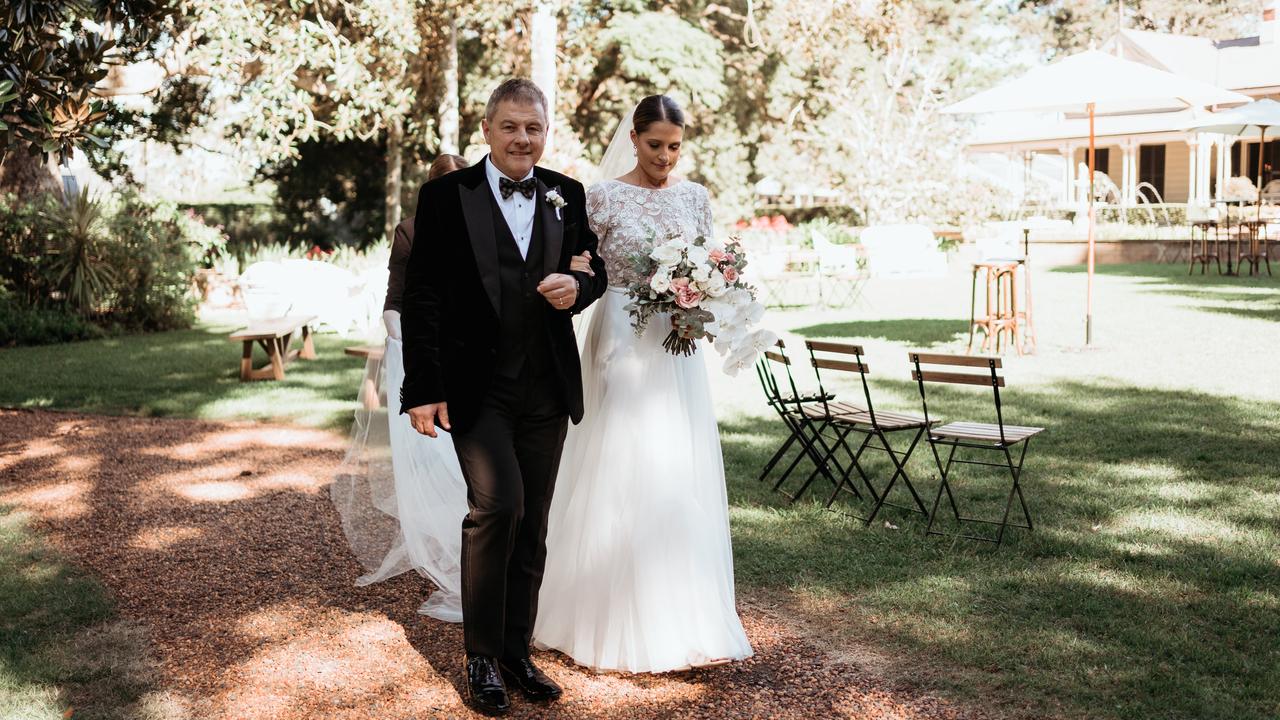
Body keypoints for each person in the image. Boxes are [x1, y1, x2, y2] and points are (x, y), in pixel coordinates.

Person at [399, 79, 608, 716]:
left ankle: (518, 652)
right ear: (486, 130)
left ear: (547, 133)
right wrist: (424, 388)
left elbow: (591, 265)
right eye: (511, 126)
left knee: (535, 522)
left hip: (546, 386)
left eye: (534, 128)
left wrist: (578, 285)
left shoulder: (566, 194)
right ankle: (482, 657)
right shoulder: (444, 197)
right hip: (477, 389)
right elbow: (423, 296)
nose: (523, 139)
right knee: (498, 508)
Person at [531, 93, 754, 674]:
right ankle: (599, 612)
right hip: (623, 340)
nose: (666, 158)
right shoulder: (600, 197)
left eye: (675, 147)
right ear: (633, 138)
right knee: (621, 459)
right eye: (655, 145)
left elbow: (709, 259)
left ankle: (681, 611)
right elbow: (584, 267)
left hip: (675, 345)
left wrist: (706, 289)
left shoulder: (694, 197)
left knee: (675, 463)